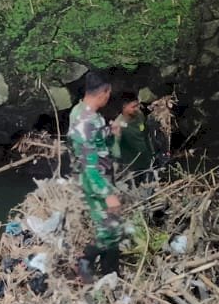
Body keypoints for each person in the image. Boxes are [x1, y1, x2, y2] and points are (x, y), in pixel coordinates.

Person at [67, 73, 124, 281]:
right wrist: (107, 193)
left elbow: (95, 142)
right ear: (103, 93)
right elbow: (89, 165)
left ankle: (108, 272)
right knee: (111, 229)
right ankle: (92, 265)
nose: (109, 97)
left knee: (110, 226)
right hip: (95, 180)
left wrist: (110, 132)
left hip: (98, 177)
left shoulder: (85, 113)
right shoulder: (86, 121)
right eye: (108, 93)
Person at [110, 91, 157, 180]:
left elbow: (144, 132)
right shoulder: (118, 125)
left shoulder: (139, 115)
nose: (137, 108)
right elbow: (115, 151)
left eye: (137, 105)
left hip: (146, 160)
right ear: (124, 107)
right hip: (132, 167)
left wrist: (152, 151)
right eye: (133, 107)